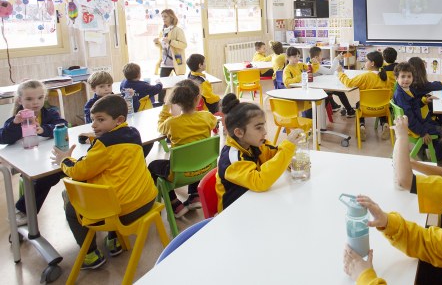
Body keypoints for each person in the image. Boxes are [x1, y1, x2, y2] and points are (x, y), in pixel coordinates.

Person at [51, 95, 157, 269]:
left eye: (100, 120)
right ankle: (114, 240)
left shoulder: (103, 145)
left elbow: (78, 172)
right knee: (115, 185)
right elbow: (115, 149)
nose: (94, 125)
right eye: (93, 120)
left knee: (72, 208)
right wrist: (95, 138)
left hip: (123, 212)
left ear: (119, 120)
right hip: (147, 201)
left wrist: (64, 159)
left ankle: (90, 255)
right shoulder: (133, 133)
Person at [215, 94, 302, 213]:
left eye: (263, 126)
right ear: (239, 133)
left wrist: (289, 162)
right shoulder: (232, 159)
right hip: (234, 213)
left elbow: (275, 154)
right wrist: (287, 149)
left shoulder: (254, 143)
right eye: (258, 128)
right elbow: (260, 182)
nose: (265, 132)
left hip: (254, 203)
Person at [1, 80, 67, 226]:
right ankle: (21, 210)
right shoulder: (16, 119)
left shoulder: (50, 114)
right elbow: (3, 138)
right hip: (27, 163)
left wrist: (43, 129)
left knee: (55, 173)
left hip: (47, 160)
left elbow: (63, 125)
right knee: (47, 176)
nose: (35, 102)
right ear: (19, 100)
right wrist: (15, 124)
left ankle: (71, 200)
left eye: (40, 98)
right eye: (29, 99)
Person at [149, 80, 217, 218]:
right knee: (196, 153)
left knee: (152, 166)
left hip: (180, 174)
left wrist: (166, 106)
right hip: (206, 168)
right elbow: (214, 122)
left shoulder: (171, 123)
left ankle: (175, 204)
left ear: (175, 101)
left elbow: (160, 126)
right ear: (198, 98)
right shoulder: (207, 117)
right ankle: (195, 196)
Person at [392, 62, 442, 164]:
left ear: (413, 77)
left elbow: (414, 105)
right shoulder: (401, 95)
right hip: (412, 127)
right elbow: (409, 119)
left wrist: (424, 101)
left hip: (418, 122)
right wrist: (423, 132)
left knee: (438, 125)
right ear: (396, 78)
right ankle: (440, 156)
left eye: (409, 76)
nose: (406, 79)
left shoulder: (408, 90)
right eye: (403, 76)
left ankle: (425, 147)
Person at [336, 51, 392, 141]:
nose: (365, 62)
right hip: (382, 109)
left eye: (366, 61)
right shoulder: (386, 78)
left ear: (372, 63)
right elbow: (390, 95)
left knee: (358, 104)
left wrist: (340, 73)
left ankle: (361, 125)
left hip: (366, 108)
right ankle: (384, 122)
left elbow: (348, 83)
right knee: (381, 102)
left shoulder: (365, 76)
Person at [309, 46, 355, 117]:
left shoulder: (308, 64)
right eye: (321, 55)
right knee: (340, 92)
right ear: (316, 57)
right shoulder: (316, 66)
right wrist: (336, 59)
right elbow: (331, 72)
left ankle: (333, 105)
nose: (322, 57)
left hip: (316, 87)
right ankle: (349, 110)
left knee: (329, 88)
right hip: (319, 90)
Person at [154, 9, 187, 103]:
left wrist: (170, 41)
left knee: (181, 86)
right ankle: (160, 105)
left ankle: (184, 103)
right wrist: (157, 43)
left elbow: (184, 45)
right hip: (165, 62)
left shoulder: (178, 30)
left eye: (165, 16)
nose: (163, 18)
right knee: (161, 85)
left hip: (177, 61)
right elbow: (163, 47)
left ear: (171, 17)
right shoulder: (163, 31)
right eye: (162, 16)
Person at [408, 56, 442, 127]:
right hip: (420, 112)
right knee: (441, 107)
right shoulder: (421, 84)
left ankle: (440, 125)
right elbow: (439, 85)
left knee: (433, 101)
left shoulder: (409, 84)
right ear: (422, 70)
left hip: (414, 110)